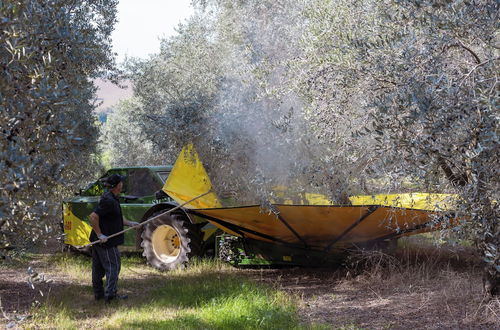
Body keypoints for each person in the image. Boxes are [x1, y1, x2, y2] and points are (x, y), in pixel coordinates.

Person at [89, 174, 139, 303]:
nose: (122, 184)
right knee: (114, 267)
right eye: (121, 182)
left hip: (102, 240)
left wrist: (130, 223)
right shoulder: (108, 200)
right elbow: (93, 217)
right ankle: (110, 295)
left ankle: (99, 295)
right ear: (118, 185)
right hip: (105, 242)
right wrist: (100, 235)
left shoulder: (112, 198)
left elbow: (115, 217)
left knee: (98, 268)